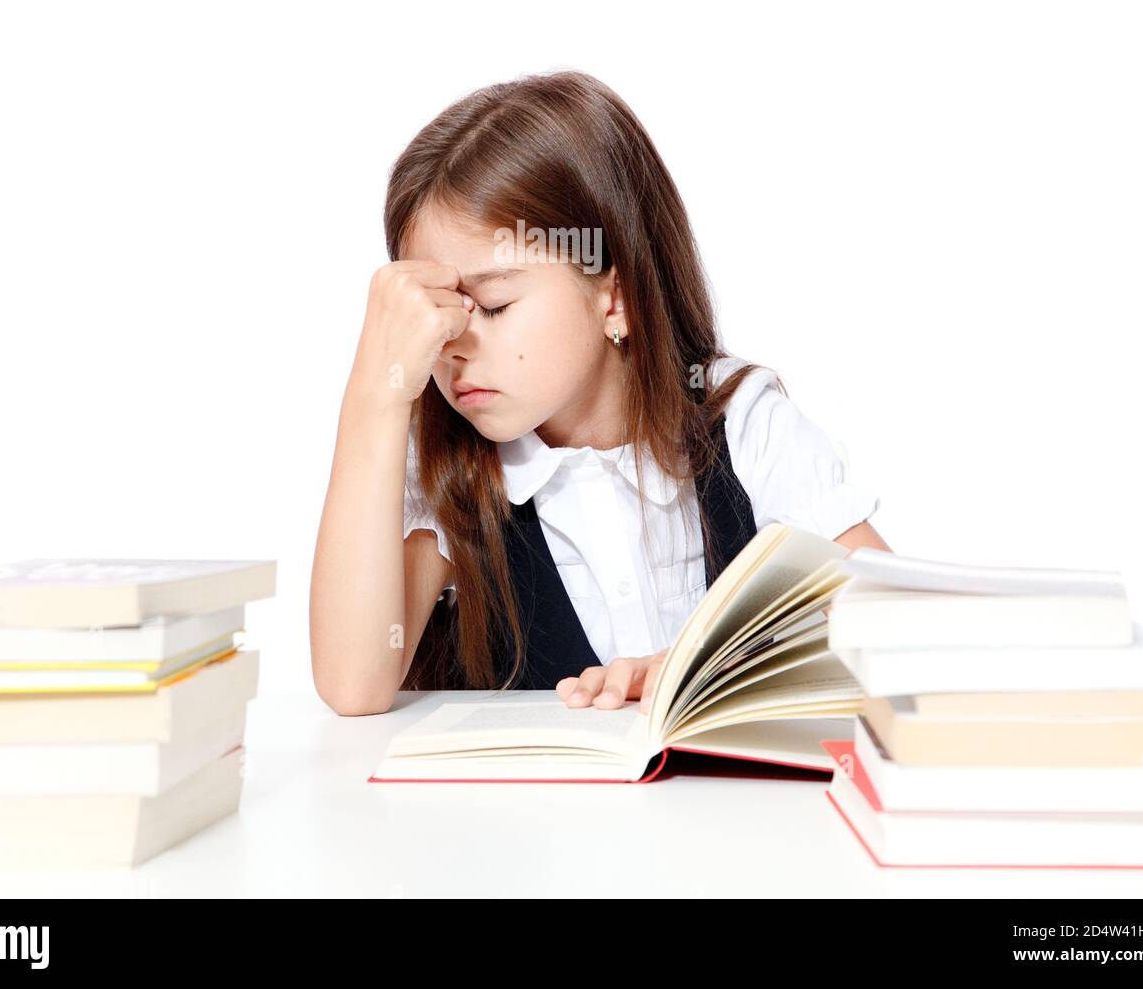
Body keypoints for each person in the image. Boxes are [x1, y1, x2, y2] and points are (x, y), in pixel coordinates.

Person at [310, 71, 891, 717]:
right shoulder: (450, 470)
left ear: (614, 296)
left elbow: (895, 620)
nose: (455, 343)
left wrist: (710, 666)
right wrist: (377, 390)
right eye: (440, 312)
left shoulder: (740, 424)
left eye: (495, 305)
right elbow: (353, 685)